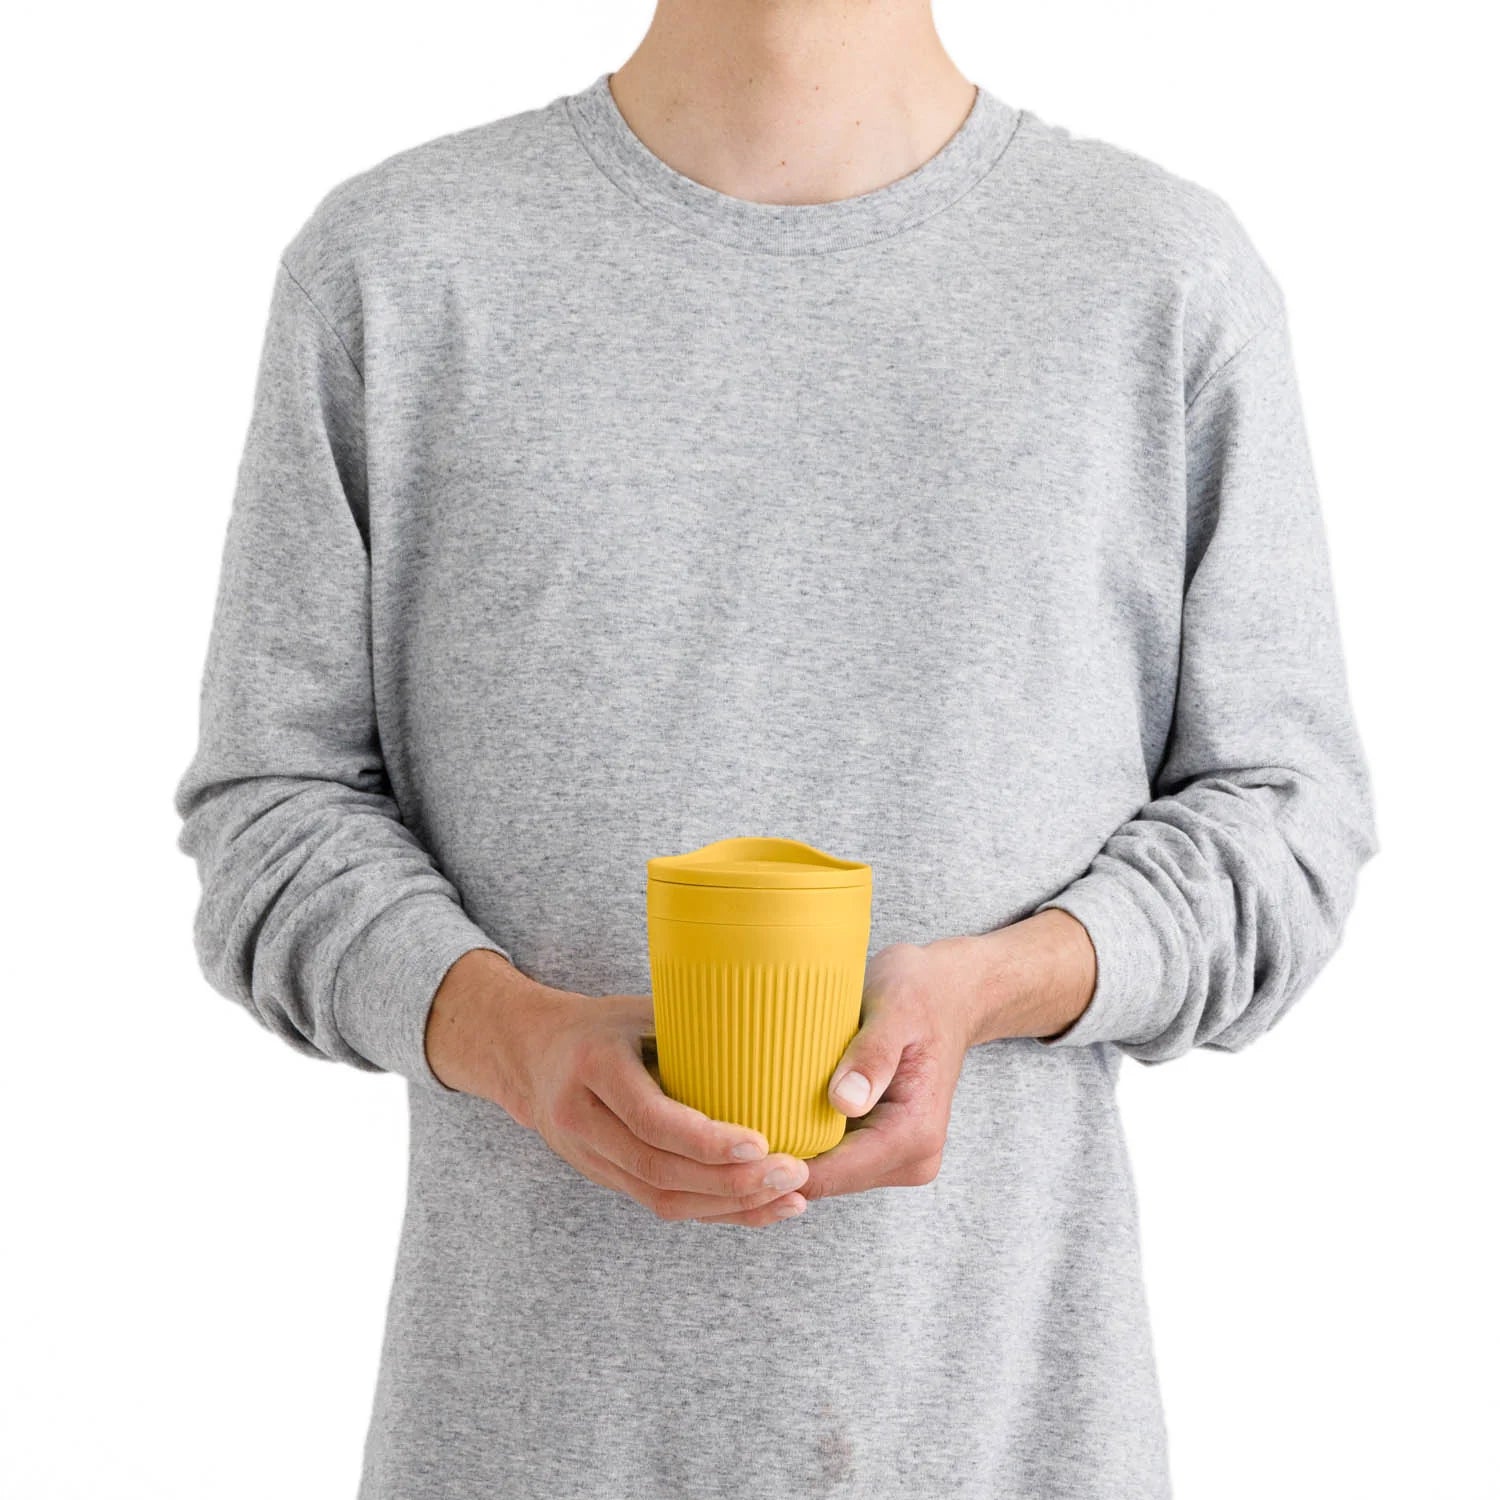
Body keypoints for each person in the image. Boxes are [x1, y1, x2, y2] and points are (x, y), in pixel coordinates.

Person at [174, 2, 1377, 1496]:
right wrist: (508, 1036)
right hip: (525, 1446)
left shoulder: (1161, 279)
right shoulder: (396, 268)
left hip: (1004, 1441)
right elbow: (274, 807)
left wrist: (1008, 982)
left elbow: (1286, 812)